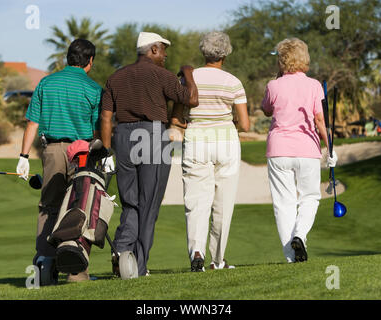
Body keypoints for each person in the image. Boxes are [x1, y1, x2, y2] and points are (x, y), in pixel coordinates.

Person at [100, 31, 199, 278]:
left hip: (122, 136)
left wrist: (106, 150)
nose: (165, 56)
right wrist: (187, 72)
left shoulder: (116, 76)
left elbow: (105, 117)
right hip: (152, 135)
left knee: (130, 201)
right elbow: (192, 99)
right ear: (153, 49)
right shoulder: (162, 75)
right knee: (149, 203)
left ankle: (122, 250)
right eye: (163, 51)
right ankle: (139, 267)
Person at [16, 39, 112, 283]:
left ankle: (44, 264)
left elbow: (33, 123)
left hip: (53, 151)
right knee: (81, 205)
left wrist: (23, 156)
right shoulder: (93, 89)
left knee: (49, 206)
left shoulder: (46, 83)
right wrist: (104, 154)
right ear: (90, 61)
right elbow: (97, 131)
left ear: (68, 58)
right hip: (82, 152)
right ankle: (76, 271)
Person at [171, 31, 250, 272]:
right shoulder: (233, 82)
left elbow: (176, 118)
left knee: (196, 201)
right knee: (222, 204)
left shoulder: (188, 79)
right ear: (225, 54)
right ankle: (218, 260)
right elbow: (245, 125)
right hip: (226, 141)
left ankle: (197, 252)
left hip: (196, 140)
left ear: (203, 52)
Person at [261, 38, 337, 263]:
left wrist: (277, 80)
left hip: (278, 149)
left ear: (281, 60)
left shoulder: (273, 85)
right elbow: (320, 119)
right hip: (307, 148)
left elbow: (266, 110)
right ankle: (300, 236)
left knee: (283, 203)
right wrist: (330, 148)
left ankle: (290, 257)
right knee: (310, 197)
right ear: (304, 58)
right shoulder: (314, 85)